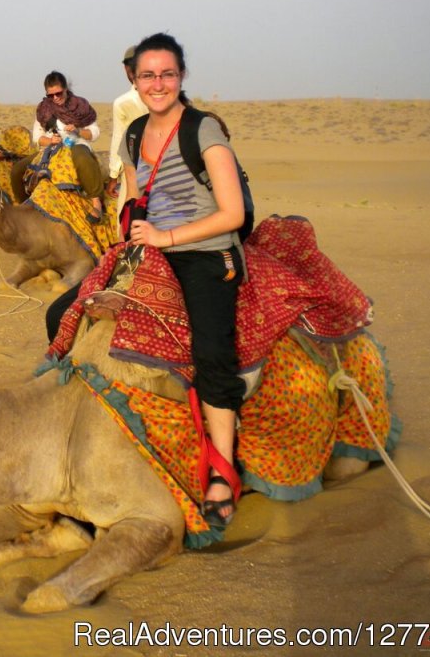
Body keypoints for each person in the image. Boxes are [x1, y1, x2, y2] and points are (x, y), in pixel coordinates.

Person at [118, 32, 247, 529]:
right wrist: (128, 233)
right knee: (66, 314)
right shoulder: (132, 134)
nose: (157, 83)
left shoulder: (204, 130)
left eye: (167, 74)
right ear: (134, 79)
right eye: (147, 75)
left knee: (211, 351)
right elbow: (134, 200)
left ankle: (222, 468)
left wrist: (166, 238)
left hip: (204, 251)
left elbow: (232, 213)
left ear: (182, 76)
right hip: (150, 247)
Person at [14, 72, 105, 222]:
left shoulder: (80, 106)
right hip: (51, 149)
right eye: (51, 95)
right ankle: (22, 206)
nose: (55, 98)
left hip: (76, 144)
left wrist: (78, 131)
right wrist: (50, 141)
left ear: (65, 90)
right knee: (18, 169)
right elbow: (37, 137)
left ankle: (96, 202)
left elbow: (95, 132)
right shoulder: (43, 109)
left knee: (82, 159)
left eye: (58, 93)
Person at [109, 44, 147, 213]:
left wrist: (113, 175)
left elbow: (119, 138)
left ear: (126, 69)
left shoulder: (123, 103)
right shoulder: (168, 97)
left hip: (134, 168)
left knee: (126, 217)